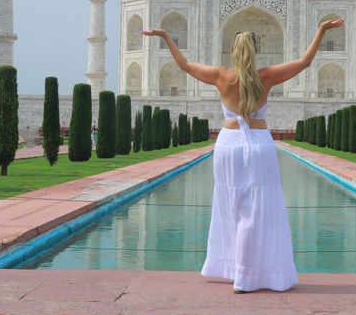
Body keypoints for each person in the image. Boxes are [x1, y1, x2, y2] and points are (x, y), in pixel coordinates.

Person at [142, 17, 344, 294]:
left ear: (233, 51)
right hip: (259, 145)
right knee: (258, 212)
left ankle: (237, 271)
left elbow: (184, 65)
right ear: (256, 51)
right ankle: (253, 276)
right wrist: (321, 30)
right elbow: (304, 62)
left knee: (232, 208)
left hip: (228, 146)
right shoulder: (267, 77)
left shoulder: (221, 76)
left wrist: (166, 37)